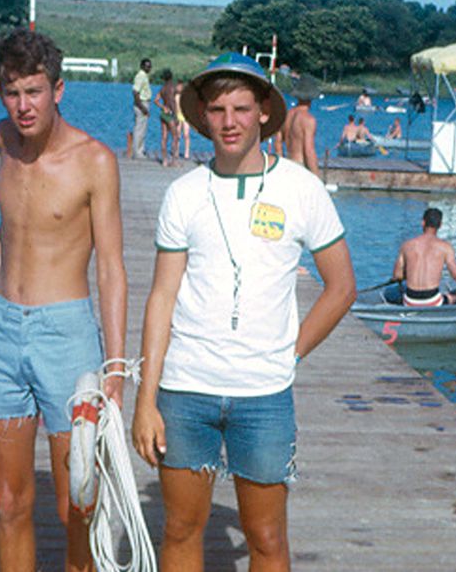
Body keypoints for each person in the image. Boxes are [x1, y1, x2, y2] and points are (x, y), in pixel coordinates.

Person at [132, 52, 356, 571]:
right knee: (183, 531)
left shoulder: (302, 189)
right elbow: (161, 295)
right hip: (185, 391)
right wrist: (146, 400)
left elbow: (341, 287)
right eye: (217, 110)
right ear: (203, 116)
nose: (228, 122)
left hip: (264, 396)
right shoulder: (183, 194)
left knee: (267, 537)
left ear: (262, 112)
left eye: (240, 108)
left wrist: (290, 353)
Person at [0, 28, 127, 572]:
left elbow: (111, 268)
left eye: (33, 91)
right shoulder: (2, 139)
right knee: (10, 501)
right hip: (1, 331)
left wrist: (114, 367)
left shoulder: (96, 161)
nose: (22, 106)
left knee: (75, 506)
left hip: (67, 336)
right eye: (11, 92)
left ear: (58, 90)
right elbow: (16, 212)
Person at [393, 207, 456, 307]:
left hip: (410, 301)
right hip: (432, 301)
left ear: (423, 223)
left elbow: (397, 276)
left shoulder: (406, 245)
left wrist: (408, 273)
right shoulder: (446, 247)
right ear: (440, 225)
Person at [275, 72, 321, 177]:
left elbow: (277, 144)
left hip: (288, 164)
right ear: (312, 97)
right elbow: (309, 150)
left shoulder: (286, 115)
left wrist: (281, 167)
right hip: (301, 166)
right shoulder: (308, 120)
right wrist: (317, 178)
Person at [154, 68, 180, 167]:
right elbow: (173, 103)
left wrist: (163, 107)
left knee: (164, 137)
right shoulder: (173, 87)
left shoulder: (162, 88)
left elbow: (156, 101)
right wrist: (176, 115)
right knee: (175, 137)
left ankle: (164, 160)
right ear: (171, 77)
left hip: (163, 114)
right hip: (170, 114)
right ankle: (174, 161)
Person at [132, 57, 152, 159]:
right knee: (139, 129)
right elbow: (135, 92)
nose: (149, 68)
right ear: (142, 66)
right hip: (141, 104)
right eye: (147, 66)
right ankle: (137, 152)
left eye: (150, 66)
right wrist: (142, 107)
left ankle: (140, 149)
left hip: (144, 103)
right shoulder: (140, 76)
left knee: (142, 129)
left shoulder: (145, 76)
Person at [175, 79, 191, 160]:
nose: (179, 88)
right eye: (178, 86)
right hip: (178, 116)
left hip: (185, 117)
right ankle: (176, 151)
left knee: (186, 134)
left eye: (180, 86)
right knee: (177, 134)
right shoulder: (175, 96)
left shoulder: (186, 96)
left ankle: (187, 152)